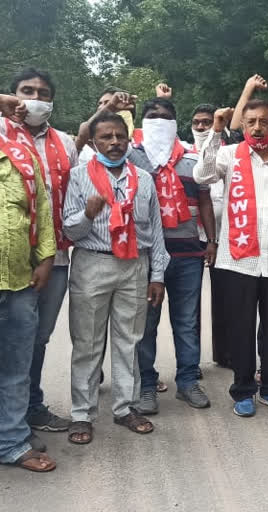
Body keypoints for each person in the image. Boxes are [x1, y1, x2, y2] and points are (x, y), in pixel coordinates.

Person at [194, 99, 268, 417]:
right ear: (243, 127)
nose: (257, 127)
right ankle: (243, 390)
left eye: (264, 122)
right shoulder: (229, 155)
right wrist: (215, 132)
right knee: (241, 328)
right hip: (237, 260)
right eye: (251, 122)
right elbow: (202, 175)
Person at [63, 112, 168, 445]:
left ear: (128, 139)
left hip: (134, 266)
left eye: (119, 136)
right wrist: (88, 213)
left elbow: (156, 230)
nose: (113, 143)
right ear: (94, 143)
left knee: (130, 341)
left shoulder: (144, 179)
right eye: (106, 137)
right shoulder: (79, 177)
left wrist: (157, 274)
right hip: (92, 263)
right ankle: (82, 414)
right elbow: (69, 229)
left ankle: (125, 407)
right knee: (87, 344)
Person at [0, 69, 79, 437]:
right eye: (25, 91)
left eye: (42, 93)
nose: (34, 98)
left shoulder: (66, 142)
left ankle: (29, 407)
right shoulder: (2, 133)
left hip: (55, 258)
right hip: (9, 259)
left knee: (36, 338)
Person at [129, 98, 216, 415]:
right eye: (152, 116)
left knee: (187, 322)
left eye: (166, 116)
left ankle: (188, 381)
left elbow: (205, 201)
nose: (159, 120)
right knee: (145, 325)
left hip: (189, 254)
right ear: (142, 122)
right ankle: (147, 386)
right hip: (147, 256)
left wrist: (211, 240)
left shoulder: (193, 158)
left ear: (176, 123)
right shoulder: (132, 156)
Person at [0, 95, 57, 472]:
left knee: (16, 369)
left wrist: (47, 258)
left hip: (20, 280)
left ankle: (12, 442)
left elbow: (45, 209)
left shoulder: (23, 154)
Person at [190, 103, 232, 369]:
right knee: (190, 304)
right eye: (197, 123)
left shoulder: (230, 152)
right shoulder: (182, 152)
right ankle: (191, 361)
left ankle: (226, 353)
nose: (202, 127)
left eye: (207, 122)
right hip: (193, 238)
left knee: (226, 298)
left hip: (227, 237)